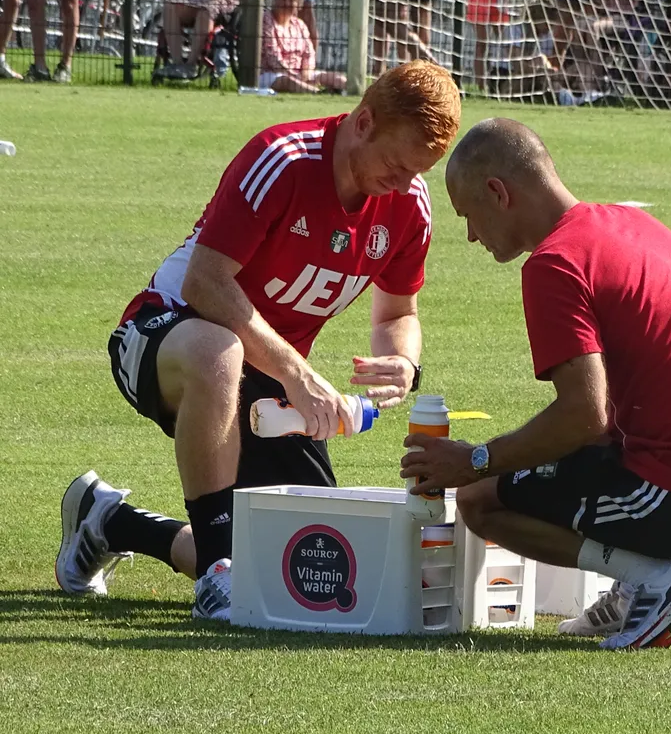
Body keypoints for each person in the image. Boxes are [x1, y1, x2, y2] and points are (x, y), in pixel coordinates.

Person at [56, 62, 459, 619]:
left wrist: (403, 361)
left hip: (267, 375)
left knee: (300, 560)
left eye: (420, 169)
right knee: (219, 352)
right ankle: (217, 574)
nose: (404, 180)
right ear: (363, 121)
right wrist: (298, 375)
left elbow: (398, 311)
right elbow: (204, 283)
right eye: (396, 162)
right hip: (165, 334)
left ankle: (109, 521)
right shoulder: (284, 159)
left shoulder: (409, 204)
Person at [403, 118, 671, 650]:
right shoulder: (629, 224)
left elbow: (584, 414)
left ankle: (657, 581)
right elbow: (606, 418)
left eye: (469, 216)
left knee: (480, 499)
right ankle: (644, 583)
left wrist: (474, 460)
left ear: (498, 193)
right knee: (569, 459)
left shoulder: (554, 263)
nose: (471, 234)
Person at [260, 0, 346, 93]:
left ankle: (343, 91)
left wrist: (306, 73)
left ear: (299, 4)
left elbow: (309, 53)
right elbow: (272, 57)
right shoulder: (266, 20)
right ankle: (318, 93)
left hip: (301, 74)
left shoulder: (299, 24)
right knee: (288, 81)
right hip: (272, 74)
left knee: (338, 78)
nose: (287, 3)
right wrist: (294, 74)